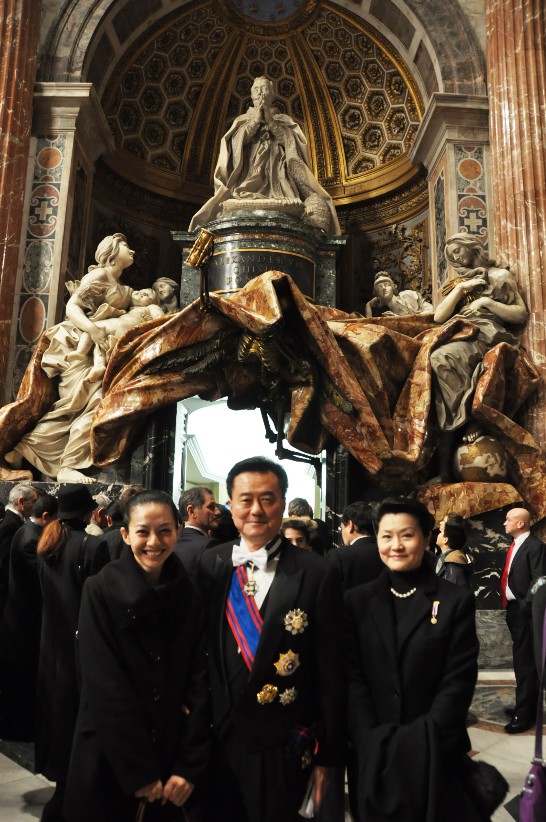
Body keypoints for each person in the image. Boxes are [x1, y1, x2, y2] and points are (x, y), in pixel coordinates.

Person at [197, 456, 345, 822]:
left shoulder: (317, 572)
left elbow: (331, 670)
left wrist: (329, 755)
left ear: (283, 503)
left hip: (281, 739)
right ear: (229, 504)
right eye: (245, 499)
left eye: (268, 499)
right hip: (217, 738)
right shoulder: (210, 563)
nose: (256, 510)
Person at [64, 490, 210, 822]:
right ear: (126, 534)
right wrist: (139, 772)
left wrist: (190, 765)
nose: (153, 541)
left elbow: (200, 679)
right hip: (113, 751)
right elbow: (105, 685)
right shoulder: (99, 589)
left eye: (165, 530)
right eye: (143, 531)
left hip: (173, 752)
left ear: (177, 530)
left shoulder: (190, 592)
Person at [345, 497, 482, 821]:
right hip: (372, 752)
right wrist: (370, 738)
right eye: (386, 536)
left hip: (436, 752)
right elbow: (352, 676)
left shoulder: (454, 601)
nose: (396, 545)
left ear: (425, 537)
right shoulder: (356, 601)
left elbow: (459, 678)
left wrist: (420, 739)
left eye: (406, 535)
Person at [3, 233, 135, 483]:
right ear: (112, 251)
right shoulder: (100, 276)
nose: (133, 252)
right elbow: (72, 307)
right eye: (126, 246)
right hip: (77, 343)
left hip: (99, 348)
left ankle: (24, 449)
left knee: (77, 407)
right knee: (83, 403)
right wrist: (92, 329)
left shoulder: (123, 287)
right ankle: (66, 466)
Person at [35, 485, 110, 821]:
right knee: (78, 716)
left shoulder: (47, 543)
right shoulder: (93, 546)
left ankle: (61, 786)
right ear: (87, 512)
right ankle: (73, 792)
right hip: (82, 644)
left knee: (56, 712)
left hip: (51, 643)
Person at [189, 76, 341, 235]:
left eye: (264, 88)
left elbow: (293, 146)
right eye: (256, 89)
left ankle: (278, 197)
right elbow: (233, 146)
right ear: (251, 94)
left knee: (287, 194)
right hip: (249, 171)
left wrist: (271, 123)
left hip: (278, 172)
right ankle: (248, 194)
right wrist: (254, 122)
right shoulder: (242, 120)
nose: (260, 92)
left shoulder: (284, 121)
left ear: (272, 94)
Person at [431, 234, 528, 479]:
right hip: (458, 333)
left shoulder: (499, 276)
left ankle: (471, 417)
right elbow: (439, 316)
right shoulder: (459, 283)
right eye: (450, 256)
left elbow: (520, 314)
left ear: (472, 248)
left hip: (485, 334)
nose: (455, 258)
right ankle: (459, 419)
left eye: (457, 251)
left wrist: (487, 302)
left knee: (442, 358)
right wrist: (462, 288)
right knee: (430, 361)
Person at [0, 493, 58, 740]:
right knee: (20, 682)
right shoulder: (28, 538)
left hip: (21, 619)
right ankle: (17, 730)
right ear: (46, 517)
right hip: (22, 621)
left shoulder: (27, 532)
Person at [500, 507, 546, 733]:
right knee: (522, 661)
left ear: (521, 524)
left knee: (525, 663)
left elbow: (540, 580)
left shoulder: (535, 546)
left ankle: (524, 714)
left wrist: (526, 604)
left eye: (508, 519)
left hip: (524, 612)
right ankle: (525, 707)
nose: (504, 523)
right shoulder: (516, 544)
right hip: (513, 610)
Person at [76, 288, 165, 383]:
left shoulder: (151, 307)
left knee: (92, 329)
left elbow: (161, 319)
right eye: (141, 291)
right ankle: (99, 365)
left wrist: (151, 326)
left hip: (122, 326)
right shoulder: (128, 311)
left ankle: (81, 352)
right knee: (100, 343)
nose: (141, 294)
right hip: (122, 331)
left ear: (152, 303)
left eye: (147, 295)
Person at [0, 482, 38, 618]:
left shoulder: (14, 521)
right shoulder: (10, 525)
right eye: (34, 501)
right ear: (21, 502)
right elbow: (5, 564)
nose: (36, 506)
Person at [327, 501, 383, 592]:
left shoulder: (338, 556)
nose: (341, 532)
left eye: (341, 528)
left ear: (350, 525)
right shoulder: (387, 552)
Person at [174, 487, 219, 578]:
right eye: (211, 507)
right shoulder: (208, 545)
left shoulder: (170, 542)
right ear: (191, 511)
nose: (217, 512)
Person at [364, 272, 433, 317]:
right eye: (380, 287)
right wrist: (368, 305)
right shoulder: (387, 312)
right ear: (376, 294)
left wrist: (398, 319)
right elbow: (369, 326)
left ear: (393, 288)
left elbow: (430, 309)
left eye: (387, 285)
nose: (384, 288)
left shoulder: (406, 296)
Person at [435, 516, 474, 588]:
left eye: (442, 532)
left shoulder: (452, 567)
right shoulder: (445, 557)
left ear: (445, 540)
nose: (441, 523)